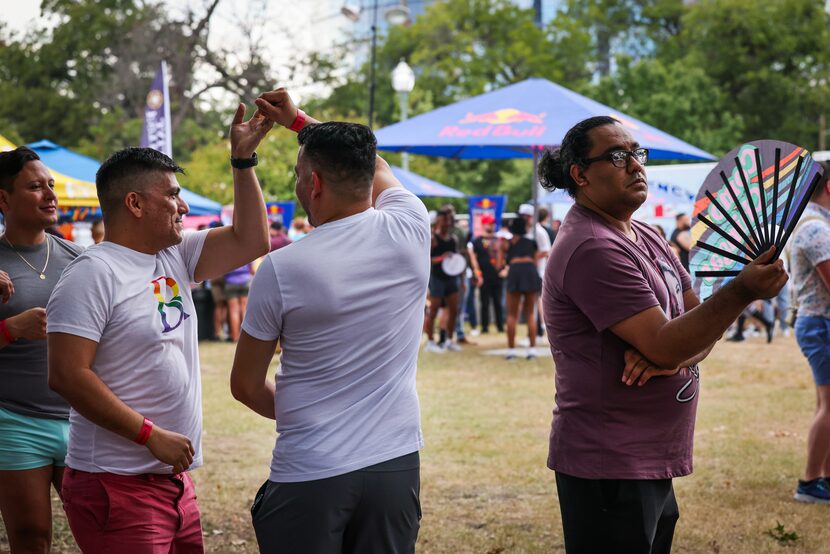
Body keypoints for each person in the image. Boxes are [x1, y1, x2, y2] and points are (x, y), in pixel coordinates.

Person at [538, 115, 787, 553]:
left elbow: (696, 331)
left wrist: (675, 354)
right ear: (580, 175)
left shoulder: (647, 236)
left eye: (637, 153)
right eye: (618, 156)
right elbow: (677, 337)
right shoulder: (593, 246)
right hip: (609, 462)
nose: (635, 165)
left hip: (645, 456)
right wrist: (741, 291)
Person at [45, 102, 272, 551]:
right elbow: (67, 375)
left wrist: (242, 162)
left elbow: (252, 240)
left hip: (173, 481)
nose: (183, 205)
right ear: (134, 203)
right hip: (116, 483)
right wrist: (149, 435)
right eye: (171, 194)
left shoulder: (174, 254)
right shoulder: (93, 273)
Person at [229, 89, 428, 554]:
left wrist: (312, 412)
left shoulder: (282, 268)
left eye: (299, 175)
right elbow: (374, 165)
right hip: (395, 465)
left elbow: (245, 385)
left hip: (310, 469)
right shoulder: (411, 225)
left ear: (313, 184)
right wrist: (298, 121)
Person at [0, 146, 83, 553]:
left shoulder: (80, 260)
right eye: (35, 187)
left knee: (100, 528)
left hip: (83, 418)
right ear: (3, 199)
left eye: (51, 185)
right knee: (31, 536)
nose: (51, 195)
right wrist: (9, 329)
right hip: (14, 420)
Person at [789, 163, 830, 503]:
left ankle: (824, 479)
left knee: (827, 405)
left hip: (817, 322)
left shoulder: (814, 225)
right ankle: (809, 482)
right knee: (828, 406)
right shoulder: (817, 229)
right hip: (822, 324)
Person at [501, 217, 542, 360]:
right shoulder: (532, 242)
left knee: (512, 314)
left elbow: (501, 262)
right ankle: (532, 350)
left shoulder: (507, 243)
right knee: (530, 313)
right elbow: (536, 259)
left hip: (515, 270)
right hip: (530, 271)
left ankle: (511, 351)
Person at [424, 207, 461, 353]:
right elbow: (426, 259)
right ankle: (431, 342)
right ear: (440, 220)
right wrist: (441, 258)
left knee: (453, 310)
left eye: (451, 219)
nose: (449, 222)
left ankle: (449, 340)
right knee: (433, 311)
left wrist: (462, 279)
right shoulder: (433, 238)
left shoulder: (453, 239)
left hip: (452, 277)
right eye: (447, 219)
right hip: (437, 278)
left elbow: (457, 259)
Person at [471, 214, 504, 334]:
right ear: (483, 224)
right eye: (489, 223)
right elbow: (474, 259)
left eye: (493, 223)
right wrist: (478, 275)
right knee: (484, 303)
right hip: (484, 276)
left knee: (498, 302)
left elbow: (504, 256)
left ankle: (500, 326)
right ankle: (484, 327)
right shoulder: (477, 241)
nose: (492, 225)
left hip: (497, 276)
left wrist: (504, 269)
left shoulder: (498, 239)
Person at [223, 262, 254, 342]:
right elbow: (252, 268)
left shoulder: (227, 251)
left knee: (234, 311)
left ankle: (235, 337)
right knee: (244, 309)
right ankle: (245, 337)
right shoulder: (246, 250)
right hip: (245, 279)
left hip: (231, 280)